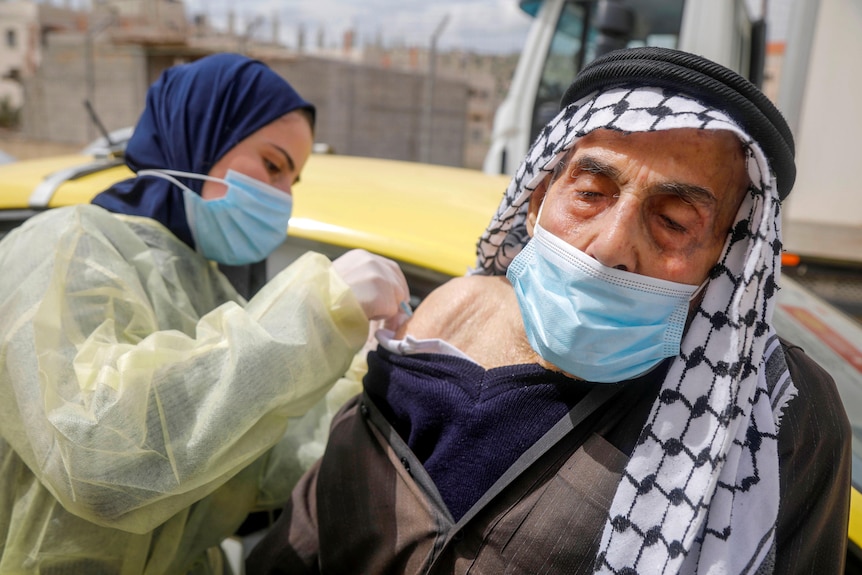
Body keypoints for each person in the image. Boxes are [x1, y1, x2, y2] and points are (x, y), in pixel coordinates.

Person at [246, 48, 851, 574]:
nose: (613, 244)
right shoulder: (452, 317)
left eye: (672, 221)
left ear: (726, 258)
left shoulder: (776, 414)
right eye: (590, 194)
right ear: (537, 201)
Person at [0, 53, 410, 574]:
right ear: (204, 134)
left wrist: (357, 372)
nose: (281, 198)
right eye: (273, 165)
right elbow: (97, 456)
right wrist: (313, 312)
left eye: (292, 181)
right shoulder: (62, 248)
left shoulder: (208, 289)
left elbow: (252, 464)